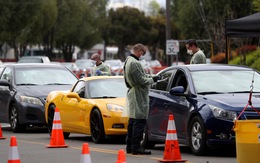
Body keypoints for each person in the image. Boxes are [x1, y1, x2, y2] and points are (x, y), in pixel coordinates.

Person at [124, 43, 160, 155]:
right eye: (142, 53)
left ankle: (129, 146)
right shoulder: (134, 63)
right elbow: (141, 80)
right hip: (138, 94)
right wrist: (153, 80)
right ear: (139, 50)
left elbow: (141, 76)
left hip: (134, 92)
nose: (142, 56)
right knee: (139, 120)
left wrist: (152, 77)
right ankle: (136, 146)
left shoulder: (128, 60)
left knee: (133, 120)